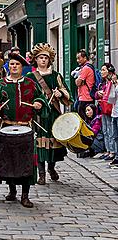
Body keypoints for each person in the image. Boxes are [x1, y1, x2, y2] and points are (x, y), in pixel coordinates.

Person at [0, 51, 47, 208]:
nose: (14, 66)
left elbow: (40, 98)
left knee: (26, 162)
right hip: (6, 126)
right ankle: (12, 190)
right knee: (9, 160)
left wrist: (39, 103)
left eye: (17, 64)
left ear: (21, 67)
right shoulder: (0, 85)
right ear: (8, 66)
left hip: (25, 127)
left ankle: (25, 195)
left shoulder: (30, 84)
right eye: (11, 64)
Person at [26, 43, 72, 184]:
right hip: (38, 115)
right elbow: (26, 95)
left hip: (53, 114)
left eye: (46, 57)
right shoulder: (30, 76)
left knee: (53, 144)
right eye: (40, 57)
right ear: (36, 59)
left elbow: (68, 94)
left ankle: (51, 168)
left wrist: (59, 94)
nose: (43, 60)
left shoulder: (56, 76)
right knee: (39, 142)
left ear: (49, 60)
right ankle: (41, 174)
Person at [95, 64, 116, 161]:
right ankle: (108, 150)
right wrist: (98, 94)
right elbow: (96, 94)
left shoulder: (112, 82)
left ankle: (112, 151)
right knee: (105, 130)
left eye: (103, 70)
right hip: (103, 108)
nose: (101, 72)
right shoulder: (102, 83)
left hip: (110, 108)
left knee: (111, 131)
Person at [74, 50, 96, 119]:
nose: (77, 60)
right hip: (87, 97)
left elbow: (78, 83)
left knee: (84, 119)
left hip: (85, 98)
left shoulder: (85, 68)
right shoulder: (88, 67)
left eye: (79, 58)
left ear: (85, 58)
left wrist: (77, 80)